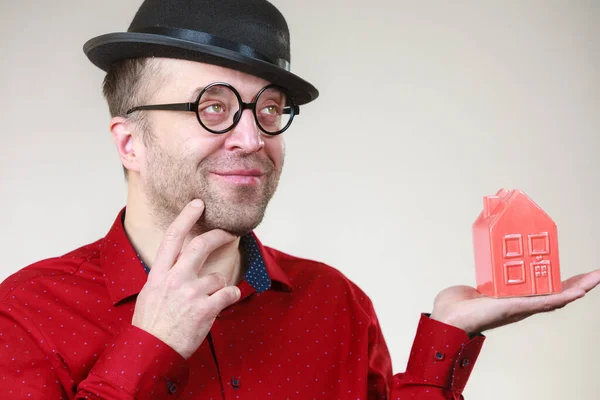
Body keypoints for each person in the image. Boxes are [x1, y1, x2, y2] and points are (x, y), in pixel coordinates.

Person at [1, 0, 599, 398]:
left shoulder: (336, 305)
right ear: (130, 141)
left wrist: (446, 335)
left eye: (267, 110)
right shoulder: (26, 316)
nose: (252, 137)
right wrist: (148, 347)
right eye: (212, 107)